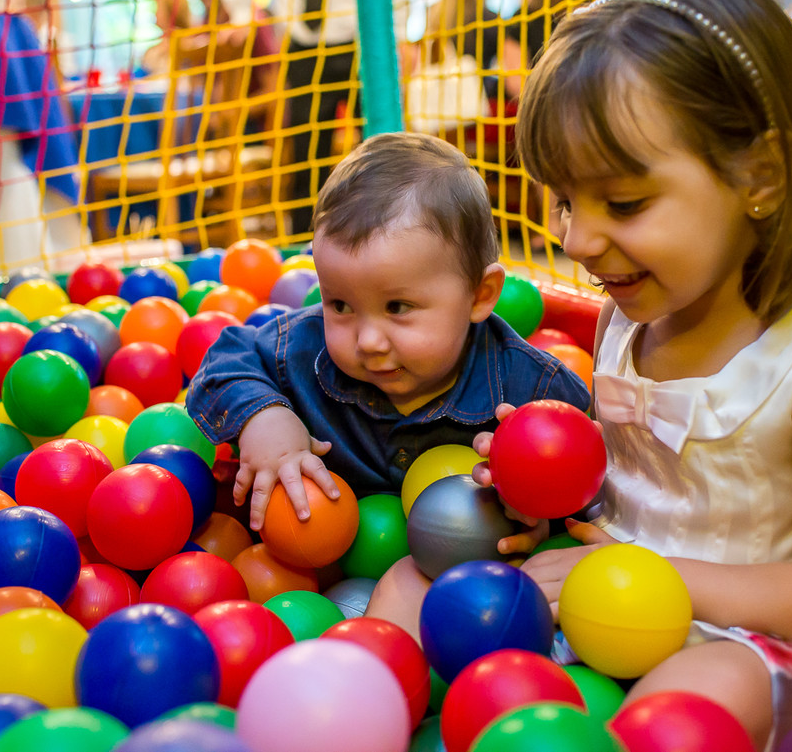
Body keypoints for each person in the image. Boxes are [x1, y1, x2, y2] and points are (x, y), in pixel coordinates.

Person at [369, 0, 792, 750]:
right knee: (412, 583)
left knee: (680, 704)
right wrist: (539, 489)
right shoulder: (629, 316)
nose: (576, 240)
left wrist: (648, 575)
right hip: (617, 590)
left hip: (757, 634)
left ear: (761, 176)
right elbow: (641, 489)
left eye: (624, 203)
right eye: (566, 201)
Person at [185, 132, 592, 531]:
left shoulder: (532, 390)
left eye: (397, 308)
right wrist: (264, 417)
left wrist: (543, 511)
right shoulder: (300, 348)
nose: (368, 341)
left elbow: (592, 472)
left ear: (479, 296)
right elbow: (225, 359)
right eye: (340, 305)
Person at [217, 0, 413, 235]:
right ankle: (306, 240)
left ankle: (386, 230)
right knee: (306, 156)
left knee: (379, 150)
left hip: (360, 41)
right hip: (303, 46)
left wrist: (400, 35)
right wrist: (241, 13)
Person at [190, 0, 280, 136]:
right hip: (221, 126)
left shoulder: (253, 24)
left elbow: (274, 91)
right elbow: (204, 85)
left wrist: (234, 112)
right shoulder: (205, 27)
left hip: (254, 126)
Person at [140, 0, 194, 77]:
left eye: (158, 9)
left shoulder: (183, 41)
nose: (155, 13)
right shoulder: (164, 42)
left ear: (171, 12)